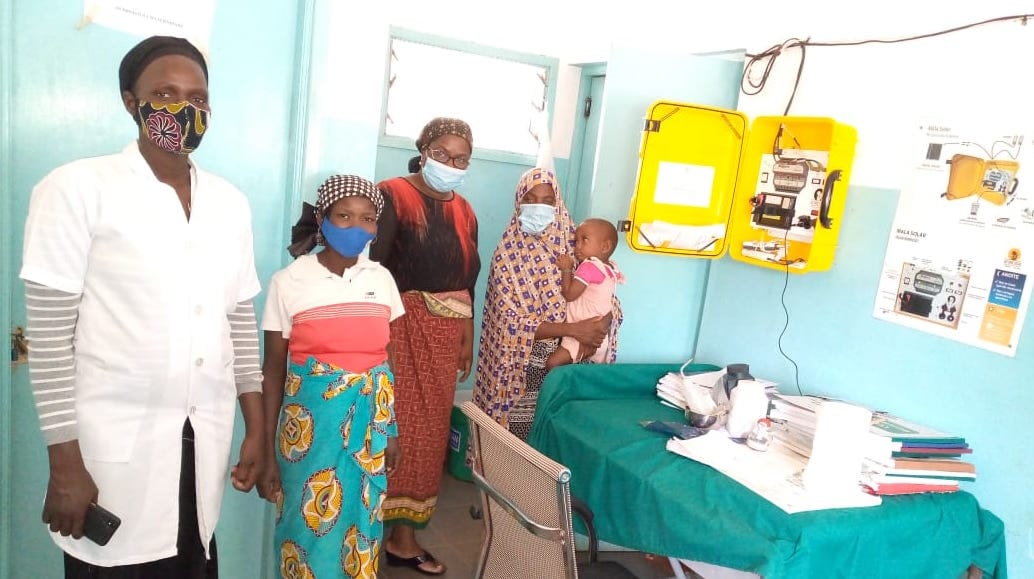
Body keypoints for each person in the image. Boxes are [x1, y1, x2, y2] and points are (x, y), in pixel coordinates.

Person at [20, 35, 263, 578]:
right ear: (132, 101)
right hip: (110, 452)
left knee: (192, 559)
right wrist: (64, 466)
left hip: (201, 442)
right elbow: (51, 340)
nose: (185, 109)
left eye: (199, 99)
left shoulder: (228, 202)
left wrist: (257, 425)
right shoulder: (76, 189)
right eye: (166, 93)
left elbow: (239, 319)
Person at [258, 175, 403, 578]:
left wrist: (391, 430)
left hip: (368, 430)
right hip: (308, 434)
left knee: (363, 526)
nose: (356, 227)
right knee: (305, 529)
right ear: (321, 220)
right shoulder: (288, 282)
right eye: (344, 216)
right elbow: (273, 372)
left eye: (367, 219)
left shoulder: (381, 279)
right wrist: (268, 451)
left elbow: (385, 361)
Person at [370, 117, 480, 575]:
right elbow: (372, 267)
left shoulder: (465, 210)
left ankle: (404, 537)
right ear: (423, 148)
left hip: (445, 335)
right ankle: (366, 532)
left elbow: (468, 276)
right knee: (391, 424)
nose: (451, 164)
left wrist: (465, 334)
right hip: (400, 328)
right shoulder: (393, 194)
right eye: (443, 154)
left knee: (431, 433)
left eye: (461, 159)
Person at [473, 167, 621, 440]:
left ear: (558, 204)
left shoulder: (576, 244)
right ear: (518, 202)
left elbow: (608, 298)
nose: (538, 207)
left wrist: (597, 330)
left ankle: (553, 483)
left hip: (580, 354)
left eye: (548, 201)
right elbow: (508, 323)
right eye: (530, 199)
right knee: (520, 438)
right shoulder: (507, 255)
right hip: (523, 363)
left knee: (561, 435)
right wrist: (575, 331)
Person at [546, 218, 625, 369]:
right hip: (601, 330)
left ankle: (562, 388)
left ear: (605, 246)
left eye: (584, 240)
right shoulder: (611, 267)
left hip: (583, 329)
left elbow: (569, 294)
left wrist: (566, 269)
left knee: (552, 364)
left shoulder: (588, 266)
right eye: (576, 241)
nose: (577, 247)